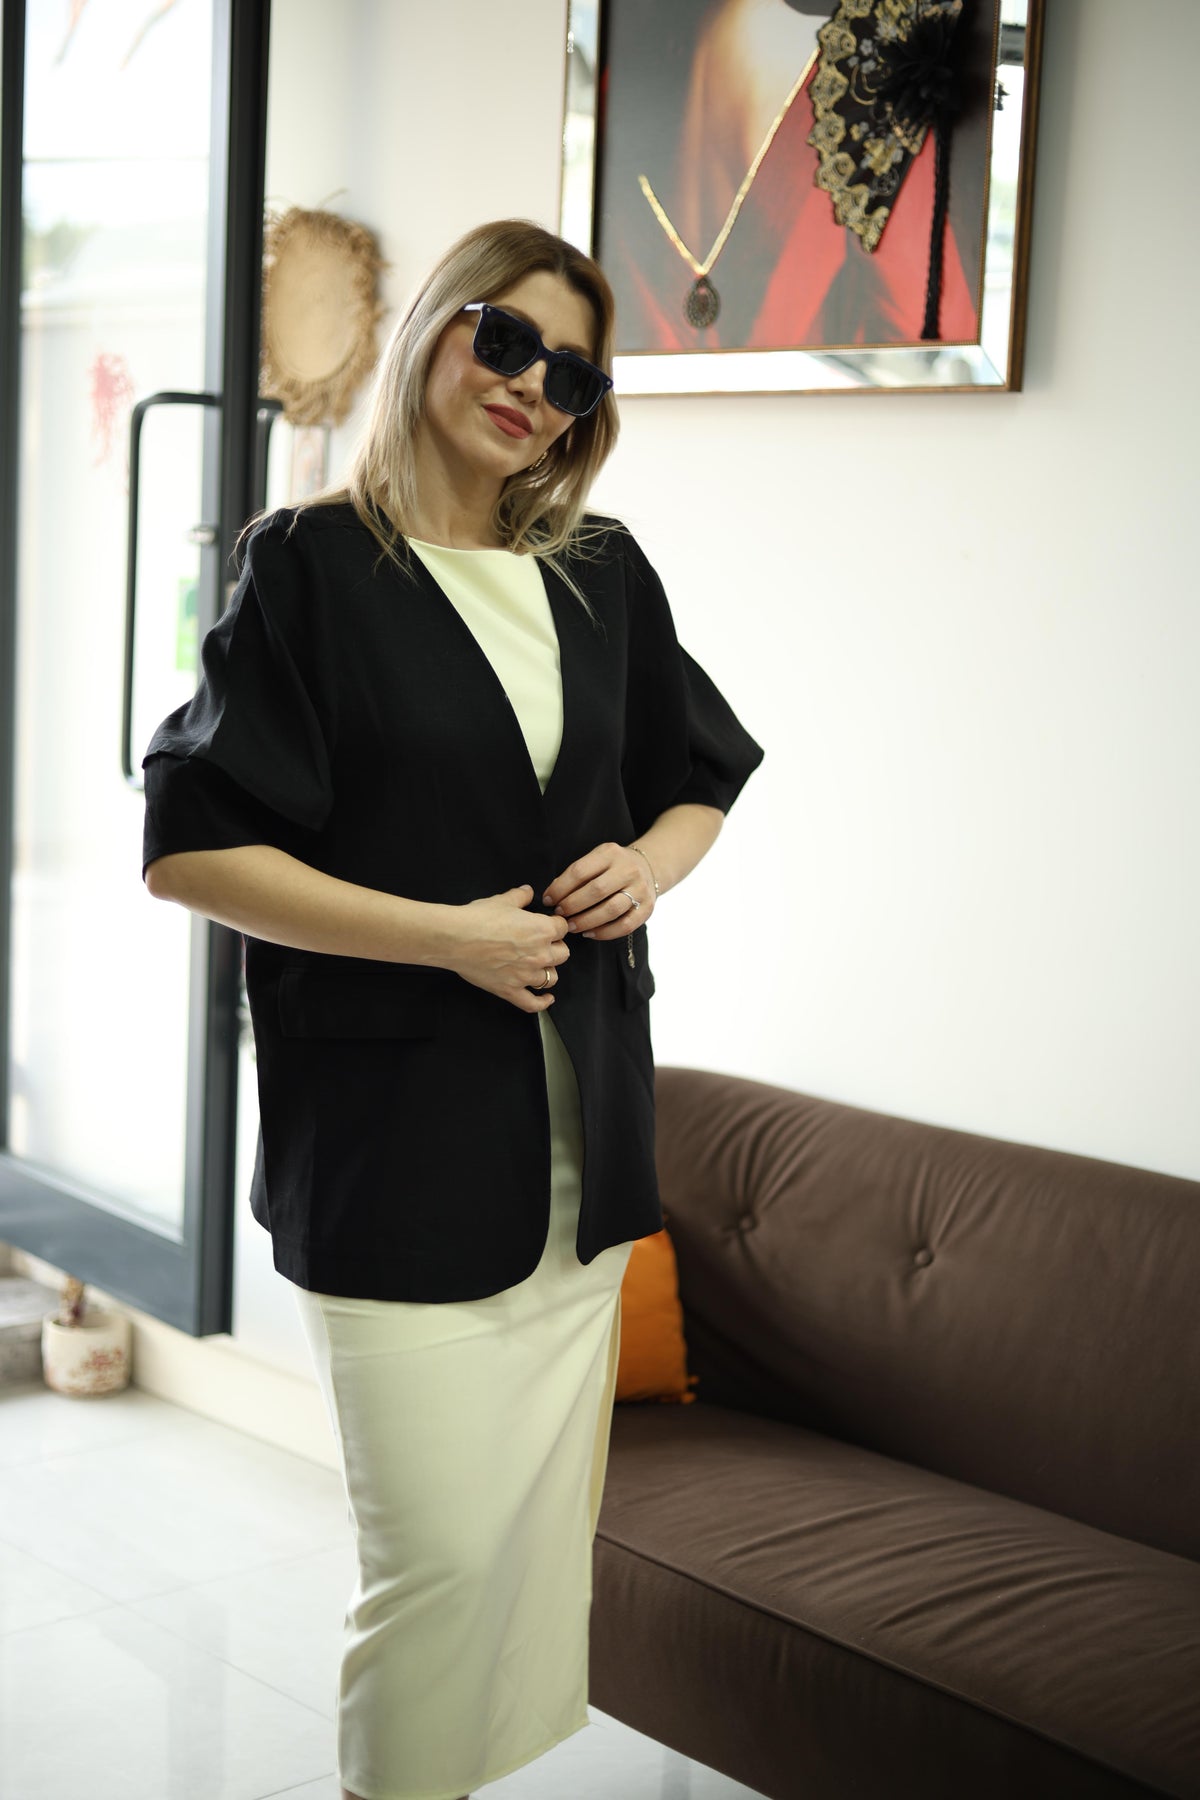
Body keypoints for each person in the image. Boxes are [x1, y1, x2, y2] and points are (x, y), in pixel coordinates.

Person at [141, 217, 762, 1800]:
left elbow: (703, 775)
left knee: (523, 1561)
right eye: (506, 339)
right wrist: (444, 941)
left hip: (580, 1160)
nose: (532, 386)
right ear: (437, 325)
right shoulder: (308, 567)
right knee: (431, 1567)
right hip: (393, 1153)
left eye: (572, 375)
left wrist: (650, 866)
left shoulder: (603, 573)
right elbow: (192, 848)